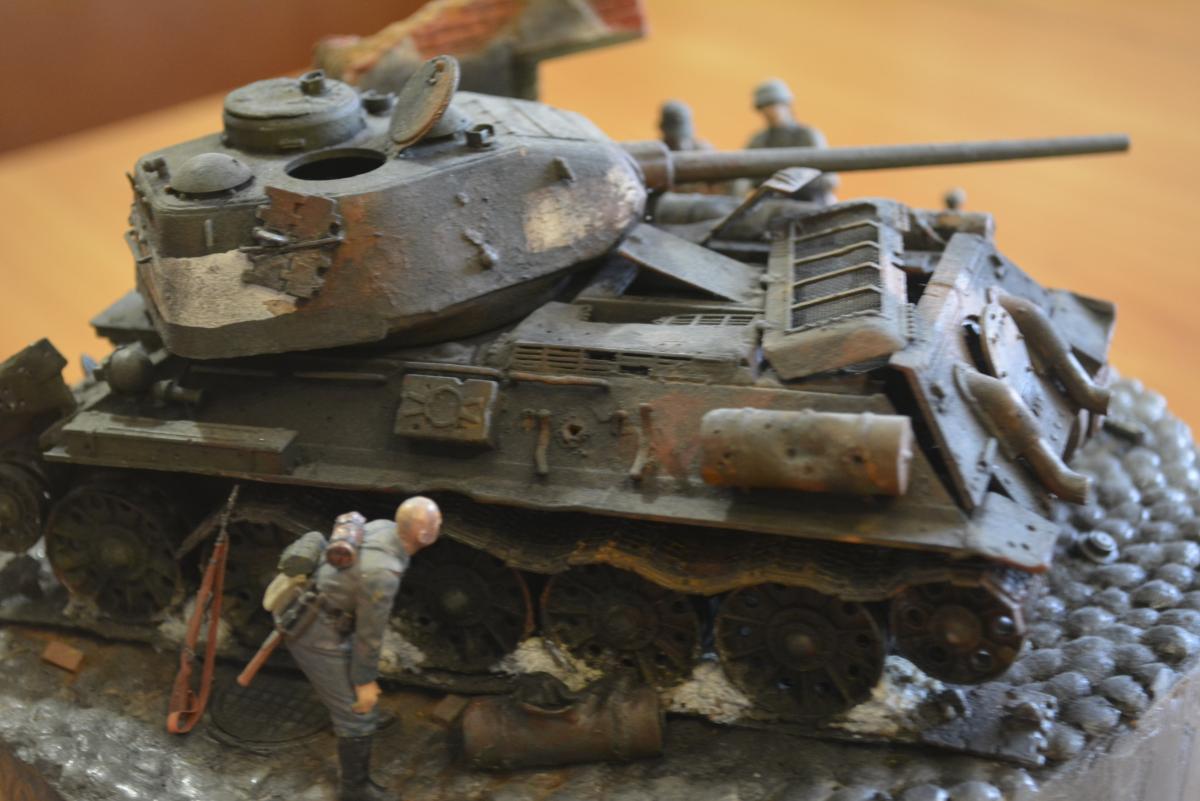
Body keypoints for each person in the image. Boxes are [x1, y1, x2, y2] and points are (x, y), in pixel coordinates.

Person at [279, 496, 442, 801]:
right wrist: (364, 683)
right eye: (437, 522)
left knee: (356, 693)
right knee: (358, 714)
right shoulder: (384, 573)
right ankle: (355, 789)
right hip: (314, 630)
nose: (441, 525)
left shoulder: (384, 527)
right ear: (423, 534)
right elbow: (370, 636)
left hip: (326, 611)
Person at [744, 78, 838, 203]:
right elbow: (745, 175)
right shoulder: (759, 140)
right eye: (766, 106)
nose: (771, 111)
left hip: (809, 201)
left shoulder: (807, 135)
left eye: (775, 104)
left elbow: (828, 179)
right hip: (771, 202)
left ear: (787, 105)